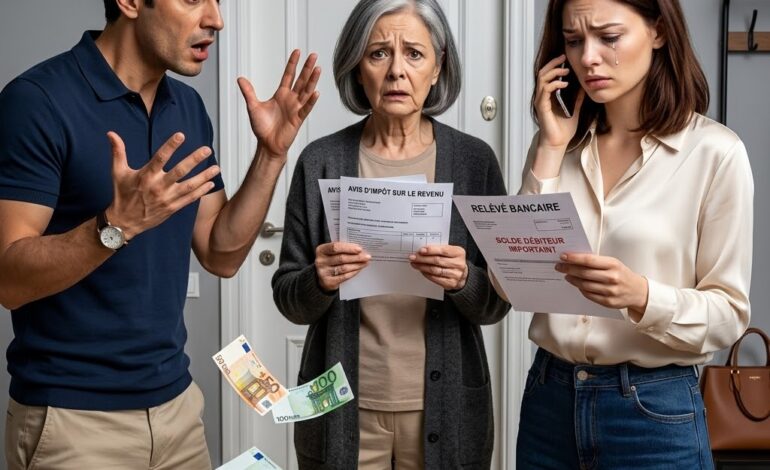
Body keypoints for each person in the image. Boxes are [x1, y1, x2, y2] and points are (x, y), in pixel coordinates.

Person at [0, 0, 320, 468]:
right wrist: (116, 226)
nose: (215, 19)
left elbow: (220, 252)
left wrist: (271, 154)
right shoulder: (37, 100)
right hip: (74, 420)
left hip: (177, 412)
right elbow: (8, 280)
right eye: (193, 0)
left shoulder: (186, 106)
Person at [505, 0, 753, 468]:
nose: (588, 58)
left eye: (609, 37)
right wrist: (550, 148)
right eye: (574, 41)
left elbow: (729, 315)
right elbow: (511, 281)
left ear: (658, 32)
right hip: (548, 402)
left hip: (654, 412)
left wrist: (640, 295)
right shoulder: (559, 145)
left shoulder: (715, 154)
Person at [272, 0, 510, 468]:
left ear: (438, 67)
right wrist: (318, 280)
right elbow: (288, 298)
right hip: (340, 407)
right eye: (379, 53)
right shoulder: (320, 161)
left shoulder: (473, 161)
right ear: (358, 68)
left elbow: (497, 303)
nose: (397, 71)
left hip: (447, 406)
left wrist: (464, 280)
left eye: (415, 54)